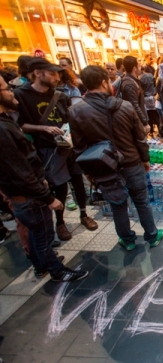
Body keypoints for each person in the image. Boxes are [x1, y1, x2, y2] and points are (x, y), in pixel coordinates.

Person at [0, 69, 88, 282]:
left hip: (26, 195)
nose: (12, 92)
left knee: (37, 234)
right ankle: (57, 271)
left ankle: (41, 265)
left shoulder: (6, 121)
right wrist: (49, 198)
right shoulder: (3, 130)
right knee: (43, 236)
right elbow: (20, 171)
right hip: (29, 197)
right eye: (6, 88)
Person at [69, 65, 163, 251]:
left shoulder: (76, 111)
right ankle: (152, 236)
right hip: (132, 162)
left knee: (117, 205)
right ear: (105, 82)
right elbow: (140, 138)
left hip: (103, 167)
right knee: (142, 201)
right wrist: (145, 160)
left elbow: (79, 147)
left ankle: (127, 240)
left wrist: (88, 172)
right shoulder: (125, 106)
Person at [14, 58, 97, 242]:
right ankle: (60, 222)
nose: (56, 77)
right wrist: (43, 129)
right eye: (52, 73)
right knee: (59, 185)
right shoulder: (21, 95)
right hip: (46, 149)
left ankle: (84, 214)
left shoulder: (60, 95)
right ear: (37, 73)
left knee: (77, 179)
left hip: (68, 146)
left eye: (58, 73)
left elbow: (69, 117)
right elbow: (19, 125)